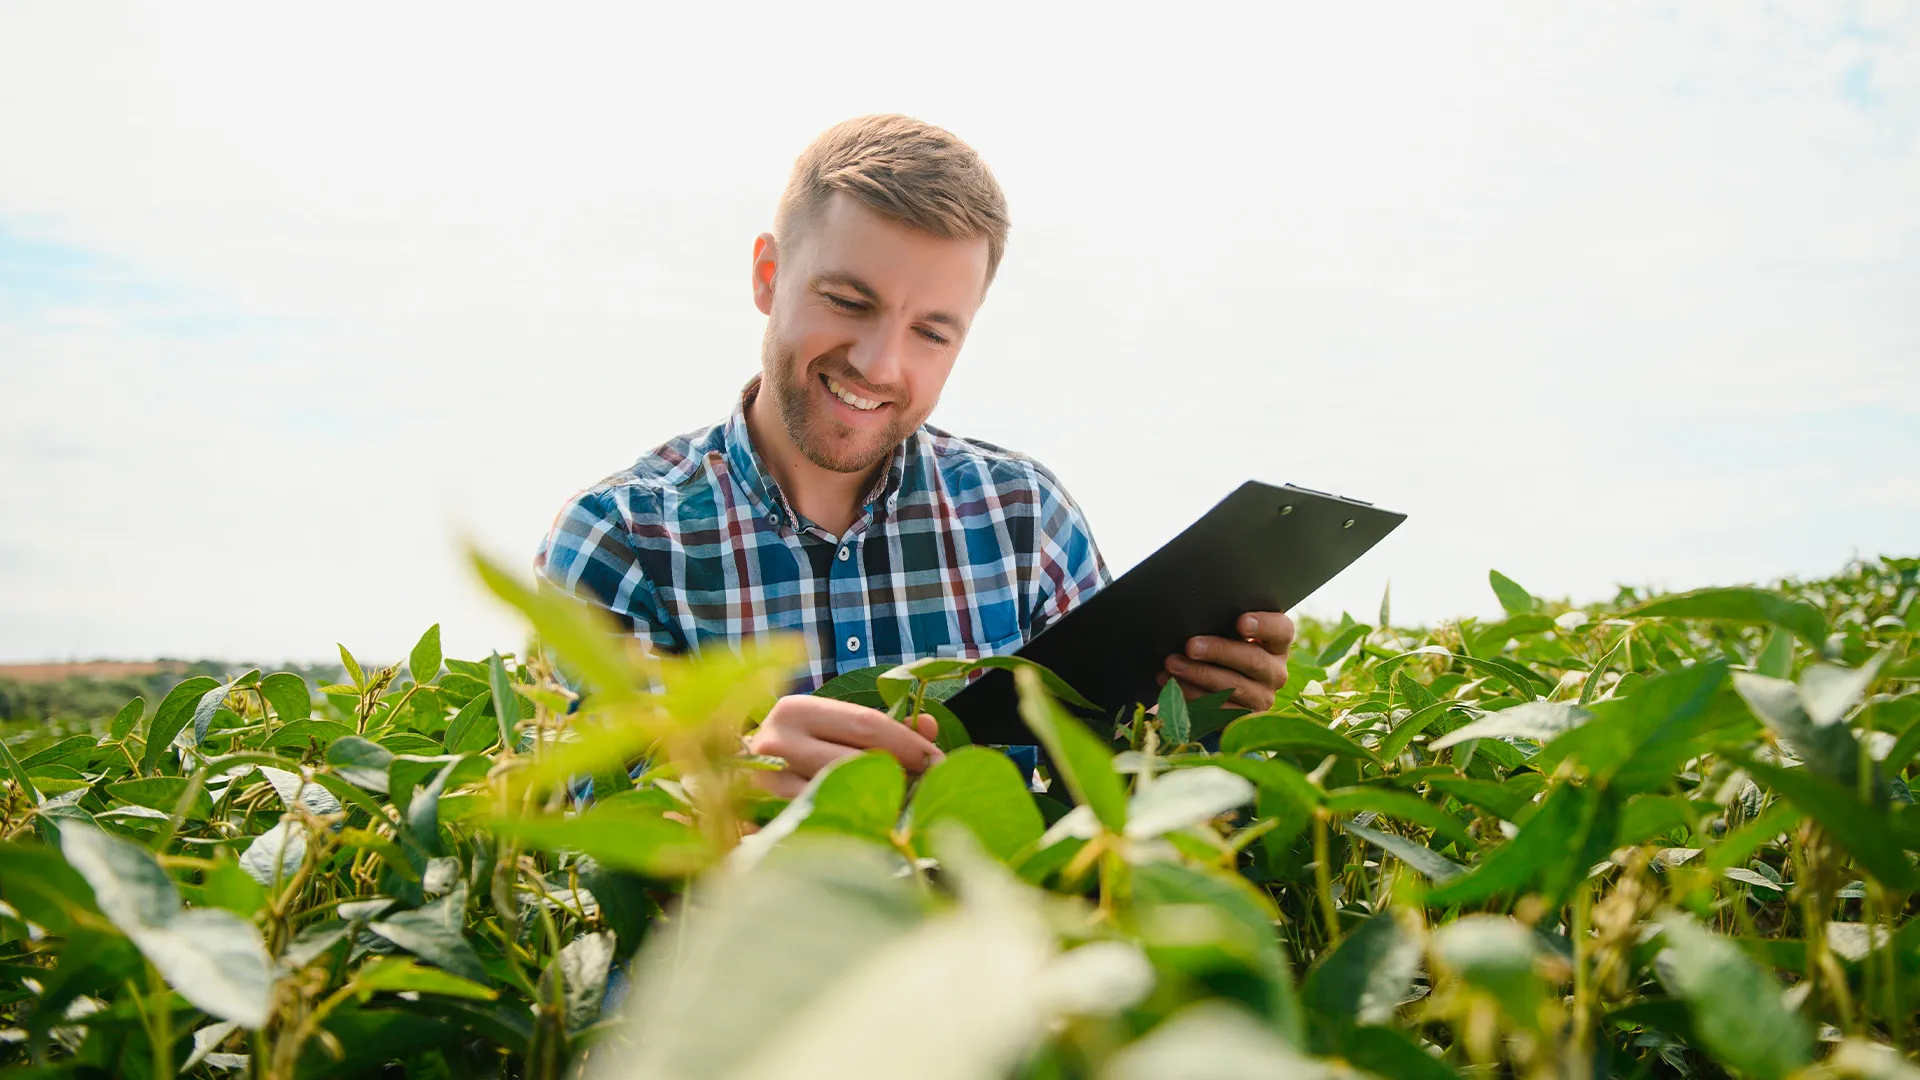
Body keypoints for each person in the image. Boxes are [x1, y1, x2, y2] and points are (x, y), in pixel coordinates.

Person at [535, 115, 1296, 798]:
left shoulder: (1025, 519)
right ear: (769, 277)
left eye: (931, 332)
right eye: (847, 301)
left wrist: (1201, 722)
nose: (879, 364)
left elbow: (1107, 794)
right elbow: (601, 838)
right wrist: (733, 783)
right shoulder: (621, 538)